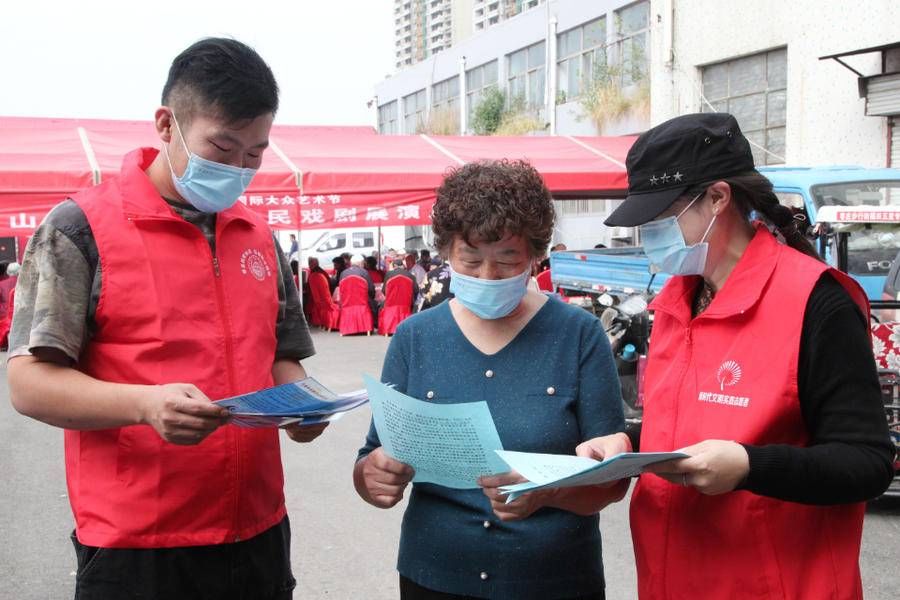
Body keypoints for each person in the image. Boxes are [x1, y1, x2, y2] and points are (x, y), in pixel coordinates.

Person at [6, 38, 328, 600]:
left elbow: (280, 354)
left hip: (256, 530)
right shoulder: (80, 229)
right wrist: (143, 404)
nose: (237, 168)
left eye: (254, 154)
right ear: (165, 124)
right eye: (221, 147)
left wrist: (303, 403)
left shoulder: (256, 235)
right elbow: (29, 383)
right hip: (139, 546)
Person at [580, 113, 895, 600]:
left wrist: (750, 466)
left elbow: (868, 461)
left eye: (660, 220)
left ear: (717, 198)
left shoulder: (816, 302)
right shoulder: (677, 300)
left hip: (774, 585)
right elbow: (690, 419)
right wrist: (627, 442)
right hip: (671, 578)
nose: (649, 237)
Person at [353, 159, 627, 599]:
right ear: (446, 252)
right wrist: (373, 476)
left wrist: (546, 492)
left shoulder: (578, 335)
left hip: (553, 581)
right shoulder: (414, 338)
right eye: (471, 259)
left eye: (506, 260)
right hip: (434, 577)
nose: (487, 275)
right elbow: (371, 459)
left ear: (535, 256)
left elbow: (611, 481)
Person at [340, 254, 378, 323]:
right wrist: (373, 296)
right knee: (376, 304)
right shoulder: (364, 272)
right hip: (363, 302)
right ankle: (372, 324)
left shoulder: (343, 273)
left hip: (347, 302)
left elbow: (341, 289)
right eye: (363, 263)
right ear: (361, 263)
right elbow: (371, 289)